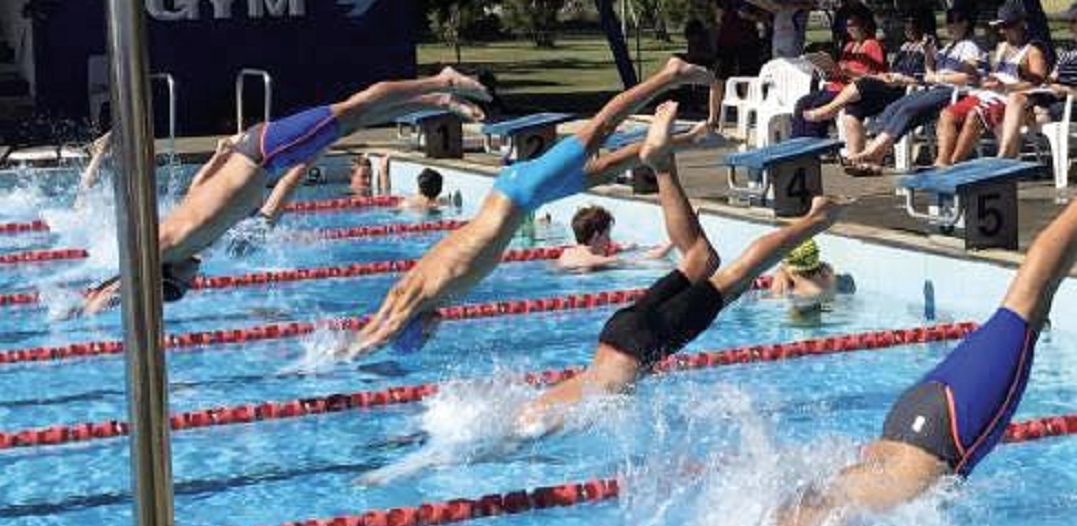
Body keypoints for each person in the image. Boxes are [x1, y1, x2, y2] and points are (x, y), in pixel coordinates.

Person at [765, 143, 1077, 526]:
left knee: (1027, 298)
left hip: (947, 430)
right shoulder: (814, 506)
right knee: (1034, 298)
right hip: (909, 419)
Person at [498, 103, 850, 441]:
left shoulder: (535, 421)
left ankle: (818, 219)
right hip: (616, 331)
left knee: (737, 276)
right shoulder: (532, 409)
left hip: (640, 345)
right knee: (701, 258)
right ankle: (663, 165)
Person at [345, 58, 716, 356]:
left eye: (422, 338)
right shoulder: (407, 289)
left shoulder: (422, 295)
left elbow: (387, 327)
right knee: (606, 169)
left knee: (599, 128)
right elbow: (383, 319)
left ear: (415, 325)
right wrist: (344, 350)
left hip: (521, 192)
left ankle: (669, 74)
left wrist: (352, 358)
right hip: (519, 194)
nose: (431, 335)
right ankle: (685, 138)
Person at [75, 69, 493, 317]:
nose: (194, 281)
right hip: (261, 155)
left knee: (353, 109)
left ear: (166, 276)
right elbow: (201, 187)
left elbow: (128, 280)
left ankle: (440, 82)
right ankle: (438, 99)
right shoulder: (194, 238)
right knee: (354, 118)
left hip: (263, 153)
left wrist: (100, 300)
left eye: (182, 287)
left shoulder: (169, 243)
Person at [838, 8, 985, 174]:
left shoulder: (970, 46)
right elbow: (929, 73)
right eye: (947, 22)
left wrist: (937, 78)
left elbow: (968, 77)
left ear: (964, 23)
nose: (948, 26)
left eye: (952, 22)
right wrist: (929, 54)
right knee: (894, 107)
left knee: (909, 108)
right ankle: (876, 155)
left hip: (955, 92)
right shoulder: (949, 47)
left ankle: (872, 154)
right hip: (936, 89)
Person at [803, 7, 937, 170]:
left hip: (906, 91)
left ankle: (830, 109)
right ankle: (857, 160)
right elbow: (889, 71)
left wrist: (905, 79)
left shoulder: (931, 47)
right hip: (889, 84)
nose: (906, 27)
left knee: (863, 83)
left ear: (922, 25)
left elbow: (930, 78)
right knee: (852, 108)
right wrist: (886, 76)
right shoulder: (905, 46)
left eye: (911, 24)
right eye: (906, 24)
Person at [933, 4, 1047, 167]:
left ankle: (954, 164)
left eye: (1007, 26)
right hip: (988, 93)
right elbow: (995, 74)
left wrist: (1006, 87)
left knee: (974, 115)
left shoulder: (1033, 51)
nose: (1002, 31)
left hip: (1009, 98)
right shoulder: (1002, 47)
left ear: (1021, 24)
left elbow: (1038, 84)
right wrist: (984, 79)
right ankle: (942, 161)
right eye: (1000, 26)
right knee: (947, 114)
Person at [993, 2, 1077, 160]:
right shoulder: (1067, 53)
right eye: (1070, 21)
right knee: (1011, 102)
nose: (1071, 25)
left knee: (1016, 108)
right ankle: (1007, 156)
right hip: (1053, 98)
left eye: (1075, 21)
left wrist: (1070, 91)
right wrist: (1029, 76)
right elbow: (1050, 79)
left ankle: (1006, 156)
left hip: (1073, 105)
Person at [788, 11, 887, 139]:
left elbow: (873, 75)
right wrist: (828, 72)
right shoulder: (849, 46)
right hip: (835, 85)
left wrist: (849, 72)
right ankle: (797, 141)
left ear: (864, 25)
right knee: (802, 103)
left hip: (851, 89)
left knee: (816, 106)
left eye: (853, 25)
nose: (849, 29)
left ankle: (813, 144)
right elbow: (839, 69)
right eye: (848, 26)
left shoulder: (872, 45)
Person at [553, 205, 673, 272]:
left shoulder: (566, 253)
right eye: (607, 235)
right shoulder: (594, 261)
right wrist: (673, 242)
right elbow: (645, 259)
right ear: (596, 236)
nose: (609, 241)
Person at [708, 0, 768, 135]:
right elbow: (717, 12)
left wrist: (752, 17)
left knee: (746, 78)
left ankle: (745, 117)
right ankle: (712, 118)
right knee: (718, 78)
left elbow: (765, 14)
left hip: (748, 38)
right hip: (726, 38)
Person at [766, 238, 840, 319]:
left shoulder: (794, 298)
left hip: (803, 312)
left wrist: (781, 274)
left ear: (793, 271)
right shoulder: (828, 273)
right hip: (827, 307)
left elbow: (776, 293)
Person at [747, 0, 815, 60]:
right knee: (779, 63)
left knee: (791, 63)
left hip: (792, 31)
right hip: (780, 31)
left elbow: (809, 5)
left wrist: (784, 4)